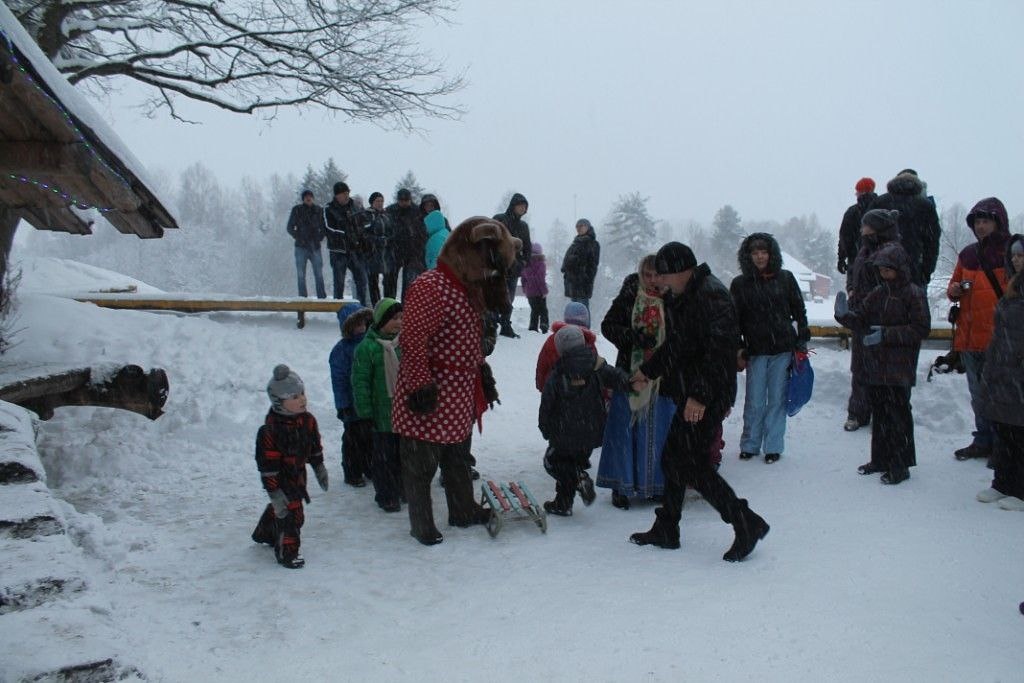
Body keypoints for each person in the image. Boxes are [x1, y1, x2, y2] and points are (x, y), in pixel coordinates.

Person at [629, 242, 770, 562]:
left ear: (683, 271)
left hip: (708, 395)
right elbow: (678, 344)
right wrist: (647, 372)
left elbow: (720, 352)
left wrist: (700, 397)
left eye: (663, 275)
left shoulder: (712, 296)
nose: (659, 282)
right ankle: (668, 527)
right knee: (674, 460)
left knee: (692, 465)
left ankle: (745, 522)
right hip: (692, 390)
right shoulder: (684, 295)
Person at [392, 217, 513, 545]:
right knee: (421, 465)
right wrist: (418, 384)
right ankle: (422, 524)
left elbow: (471, 337)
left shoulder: (468, 289)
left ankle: (462, 510)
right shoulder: (432, 285)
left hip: (459, 392)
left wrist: (481, 371)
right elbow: (413, 338)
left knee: (458, 459)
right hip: (432, 390)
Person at [835, 241, 930, 484]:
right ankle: (879, 459)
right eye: (881, 270)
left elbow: (920, 329)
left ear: (899, 268)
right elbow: (862, 319)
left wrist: (887, 334)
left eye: (888, 270)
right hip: (876, 366)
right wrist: (845, 316)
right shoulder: (879, 293)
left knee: (898, 417)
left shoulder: (913, 293)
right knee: (880, 415)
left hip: (900, 367)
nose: (884, 274)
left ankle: (900, 465)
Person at [597, 255, 674, 508]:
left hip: (663, 376)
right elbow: (608, 325)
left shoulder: (673, 296)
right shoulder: (631, 292)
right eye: (647, 275)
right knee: (624, 430)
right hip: (630, 373)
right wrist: (632, 337)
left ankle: (657, 485)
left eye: (657, 275)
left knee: (659, 432)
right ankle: (622, 485)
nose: (652, 280)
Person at [731, 233, 809, 464]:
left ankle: (773, 446)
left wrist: (802, 338)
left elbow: (799, 310)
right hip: (755, 350)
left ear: (771, 254)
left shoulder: (785, 278)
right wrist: (738, 347)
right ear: (748, 256)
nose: (760, 256)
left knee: (777, 398)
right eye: (755, 253)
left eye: (763, 252)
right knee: (754, 400)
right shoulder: (740, 284)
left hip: (783, 348)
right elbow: (734, 319)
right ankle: (750, 444)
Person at [539, 325, 631, 516]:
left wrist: (545, 427)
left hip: (563, 433)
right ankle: (563, 503)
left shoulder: (558, 373)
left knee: (553, 462)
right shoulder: (597, 365)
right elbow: (615, 376)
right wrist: (630, 381)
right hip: (591, 432)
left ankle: (578, 479)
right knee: (575, 462)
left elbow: (547, 404)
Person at [946, 197, 1011, 462]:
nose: (981, 226)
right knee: (978, 394)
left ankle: (1004, 444)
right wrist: (954, 291)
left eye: (986, 221)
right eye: (978, 222)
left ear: (998, 222)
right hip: (970, 336)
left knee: (1002, 395)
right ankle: (984, 439)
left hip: (999, 338)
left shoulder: (1010, 252)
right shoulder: (968, 254)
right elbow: (954, 286)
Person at [251, 364, 329, 569]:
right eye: (294, 397)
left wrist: (319, 466)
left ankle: (265, 531)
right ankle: (287, 552)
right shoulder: (270, 431)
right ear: (279, 402)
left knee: (286, 510)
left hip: (298, 474)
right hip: (281, 478)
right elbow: (267, 465)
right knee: (292, 514)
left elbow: (314, 446)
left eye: (302, 394)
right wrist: (274, 492)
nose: (302, 399)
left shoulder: (308, 421)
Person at [842, 208, 901, 432]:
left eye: (866, 226)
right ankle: (858, 412)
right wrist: (851, 291)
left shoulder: (891, 251)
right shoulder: (863, 250)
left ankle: (881, 412)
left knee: (879, 367)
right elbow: (852, 272)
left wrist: (871, 302)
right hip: (860, 315)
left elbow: (891, 283)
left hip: (881, 316)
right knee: (860, 366)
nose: (862, 229)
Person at [977, 235, 1024, 510]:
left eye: (1021, 255)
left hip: (1018, 370)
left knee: (1019, 432)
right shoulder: (1013, 287)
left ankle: (1020, 490)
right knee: (1005, 429)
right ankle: (1002, 483)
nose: (1016, 260)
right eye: (1014, 255)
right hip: (1004, 369)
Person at [352, 298, 404, 512]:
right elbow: (360, 383)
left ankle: (402, 488)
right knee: (383, 458)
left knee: (403, 454)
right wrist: (365, 413)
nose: (399, 322)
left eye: (401, 317)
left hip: (403, 412)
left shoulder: (403, 343)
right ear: (382, 320)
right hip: (381, 414)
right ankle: (386, 495)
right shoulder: (367, 348)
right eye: (394, 318)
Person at [328, 303, 375, 487]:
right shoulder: (341, 350)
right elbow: (338, 380)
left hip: (369, 401)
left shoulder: (371, 342)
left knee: (371, 436)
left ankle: (370, 466)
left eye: (363, 321)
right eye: (356, 323)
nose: (361, 326)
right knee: (353, 440)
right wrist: (343, 404)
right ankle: (352, 471)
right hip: (351, 403)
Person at [870, 169, 941, 286]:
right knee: (913, 302)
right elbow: (932, 243)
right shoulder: (925, 206)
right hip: (913, 270)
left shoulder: (880, 202)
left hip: (881, 270)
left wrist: (871, 266)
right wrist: (926, 271)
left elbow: (866, 236)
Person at [493, 192, 532, 338]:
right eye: (520, 205)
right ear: (513, 205)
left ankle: (505, 324)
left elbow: (527, 247)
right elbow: (490, 240)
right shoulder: (499, 220)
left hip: (514, 269)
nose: (522, 209)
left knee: (509, 298)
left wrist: (523, 262)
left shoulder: (523, 226)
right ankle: (490, 324)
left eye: (525, 207)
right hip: (498, 267)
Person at [324, 181, 369, 304]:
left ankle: (362, 306)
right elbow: (328, 228)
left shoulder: (355, 206)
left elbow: (364, 223)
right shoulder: (329, 209)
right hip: (338, 251)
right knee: (339, 282)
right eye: (343, 193)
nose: (346, 196)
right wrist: (345, 235)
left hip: (355, 250)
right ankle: (337, 308)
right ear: (337, 195)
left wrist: (360, 234)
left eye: (347, 193)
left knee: (361, 280)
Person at [535, 301, 595, 392]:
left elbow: (542, 365)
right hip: (582, 392)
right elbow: (596, 368)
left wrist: (542, 385)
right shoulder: (587, 342)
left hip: (555, 389)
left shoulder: (553, 339)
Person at [286, 189, 327, 299]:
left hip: (315, 247)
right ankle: (302, 299)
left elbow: (324, 227)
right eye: (306, 197)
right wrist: (299, 236)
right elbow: (289, 227)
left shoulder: (318, 210)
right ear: (303, 199)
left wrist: (319, 238)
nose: (308, 198)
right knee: (301, 275)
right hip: (301, 247)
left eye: (310, 196)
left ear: (313, 198)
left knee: (319, 274)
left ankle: (322, 298)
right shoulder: (297, 210)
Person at [387, 188, 425, 298]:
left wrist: (418, 249)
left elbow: (422, 232)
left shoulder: (417, 212)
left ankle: (405, 306)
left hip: (412, 252)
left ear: (410, 200)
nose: (403, 202)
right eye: (401, 200)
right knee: (390, 281)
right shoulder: (390, 210)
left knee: (409, 283)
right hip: (394, 250)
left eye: (406, 200)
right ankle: (390, 304)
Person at [837, 177, 877, 280]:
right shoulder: (881, 208)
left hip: (856, 261)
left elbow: (844, 237)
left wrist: (841, 258)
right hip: (878, 262)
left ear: (861, 192)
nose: (856, 194)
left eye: (857, 192)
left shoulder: (852, 212)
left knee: (857, 291)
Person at [363, 191, 398, 305]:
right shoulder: (366, 215)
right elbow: (364, 234)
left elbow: (394, 231)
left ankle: (389, 306)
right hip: (372, 254)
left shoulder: (387, 216)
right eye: (377, 201)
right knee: (373, 283)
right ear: (372, 202)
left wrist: (389, 240)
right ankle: (376, 307)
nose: (380, 203)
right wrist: (377, 240)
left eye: (382, 201)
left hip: (387, 255)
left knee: (389, 282)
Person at [561, 218, 600, 310]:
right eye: (577, 226)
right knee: (574, 312)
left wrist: (585, 277)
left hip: (583, 284)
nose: (578, 228)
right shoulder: (575, 243)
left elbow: (593, 264)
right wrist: (567, 271)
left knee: (583, 310)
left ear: (588, 227)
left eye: (581, 226)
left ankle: (585, 325)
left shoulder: (593, 243)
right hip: (572, 282)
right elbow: (566, 261)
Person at [520, 242, 549, 333]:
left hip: (530, 292)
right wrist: (544, 291)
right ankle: (544, 325)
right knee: (543, 309)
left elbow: (523, 279)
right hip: (539, 291)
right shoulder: (541, 264)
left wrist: (525, 289)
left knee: (534, 310)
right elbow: (540, 279)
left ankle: (533, 327)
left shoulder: (526, 265)